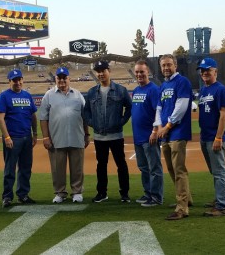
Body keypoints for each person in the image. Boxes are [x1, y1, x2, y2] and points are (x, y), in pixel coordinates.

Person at [39, 67, 90, 203]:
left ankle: (77, 192)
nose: (62, 80)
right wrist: (45, 137)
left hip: (77, 136)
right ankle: (60, 193)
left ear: (69, 79)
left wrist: (86, 134)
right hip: (56, 138)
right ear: (55, 79)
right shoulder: (48, 95)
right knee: (57, 168)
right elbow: (43, 118)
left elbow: (85, 116)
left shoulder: (78, 95)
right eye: (59, 78)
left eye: (64, 77)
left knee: (77, 167)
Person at [84, 60, 132, 203]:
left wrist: (121, 122)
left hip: (116, 135)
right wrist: (92, 123)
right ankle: (102, 193)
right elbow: (86, 111)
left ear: (108, 71)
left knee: (121, 164)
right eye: (98, 71)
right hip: (99, 136)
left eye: (103, 70)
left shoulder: (121, 90)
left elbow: (129, 108)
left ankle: (124, 193)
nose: (100, 74)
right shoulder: (92, 92)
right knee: (101, 165)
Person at [156, 54, 193, 220]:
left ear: (175, 65)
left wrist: (168, 126)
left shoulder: (182, 82)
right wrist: (159, 128)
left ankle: (182, 208)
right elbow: (159, 108)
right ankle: (187, 199)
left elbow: (182, 106)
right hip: (165, 133)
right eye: (163, 65)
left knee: (179, 170)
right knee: (171, 169)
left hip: (177, 132)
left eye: (169, 65)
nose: (166, 68)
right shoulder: (164, 85)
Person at [0, 69, 38, 208]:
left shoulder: (27, 95)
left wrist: (35, 133)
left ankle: (23, 195)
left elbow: (33, 116)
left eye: (20, 79)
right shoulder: (4, 96)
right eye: (15, 80)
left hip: (27, 137)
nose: (18, 82)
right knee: (10, 169)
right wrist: (6, 137)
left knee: (26, 168)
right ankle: (7, 197)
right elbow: (0, 119)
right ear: (9, 82)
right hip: (13, 138)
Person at [197, 57, 225, 217]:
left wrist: (218, 138)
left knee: (219, 171)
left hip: (214, 138)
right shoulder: (203, 90)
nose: (204, 72)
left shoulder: (220, 89)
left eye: (208, 70)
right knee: (214, 170)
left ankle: (223, 206)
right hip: (204, 137)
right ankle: (219, 198)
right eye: (202, 70)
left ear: (215, 71)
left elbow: (224, 114)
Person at [131, 60, 163, 207]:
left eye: (142, 72)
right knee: (143, 167)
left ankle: (156, 197)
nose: (139, 74)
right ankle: (148, 193)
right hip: (138, 137)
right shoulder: (137, 90)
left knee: (154, 168)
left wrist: (155, 131)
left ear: (148, 72)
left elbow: (159, 111)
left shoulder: (153, 89)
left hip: (149, 136)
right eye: (137, 72)